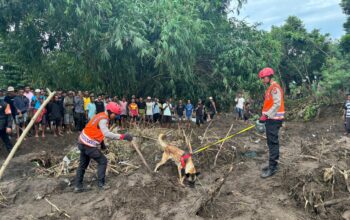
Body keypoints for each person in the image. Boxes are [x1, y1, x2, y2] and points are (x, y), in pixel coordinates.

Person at [74, 102, 133, 192]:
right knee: (103, 161)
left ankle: (78, 186)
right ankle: (101, 185)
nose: (116, 116)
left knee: (83, 164)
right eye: (115, 114)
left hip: (82, 141)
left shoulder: (100, 115)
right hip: (88, 144)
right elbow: (107, 134)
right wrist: (123, 136)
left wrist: (102, 145)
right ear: (110, 111)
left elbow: (97, 130)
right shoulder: (104, 119)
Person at [258, 67, 285, 178]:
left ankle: (272, 168)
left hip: (274, 119)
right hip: (271, 119)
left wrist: (266, 115)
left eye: (263, 78)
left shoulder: (275, 88)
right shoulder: (270, 88)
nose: (262, 80)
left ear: (268, 77)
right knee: (271, 142)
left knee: (273, 143)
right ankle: (272, 163)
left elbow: (277, 104)